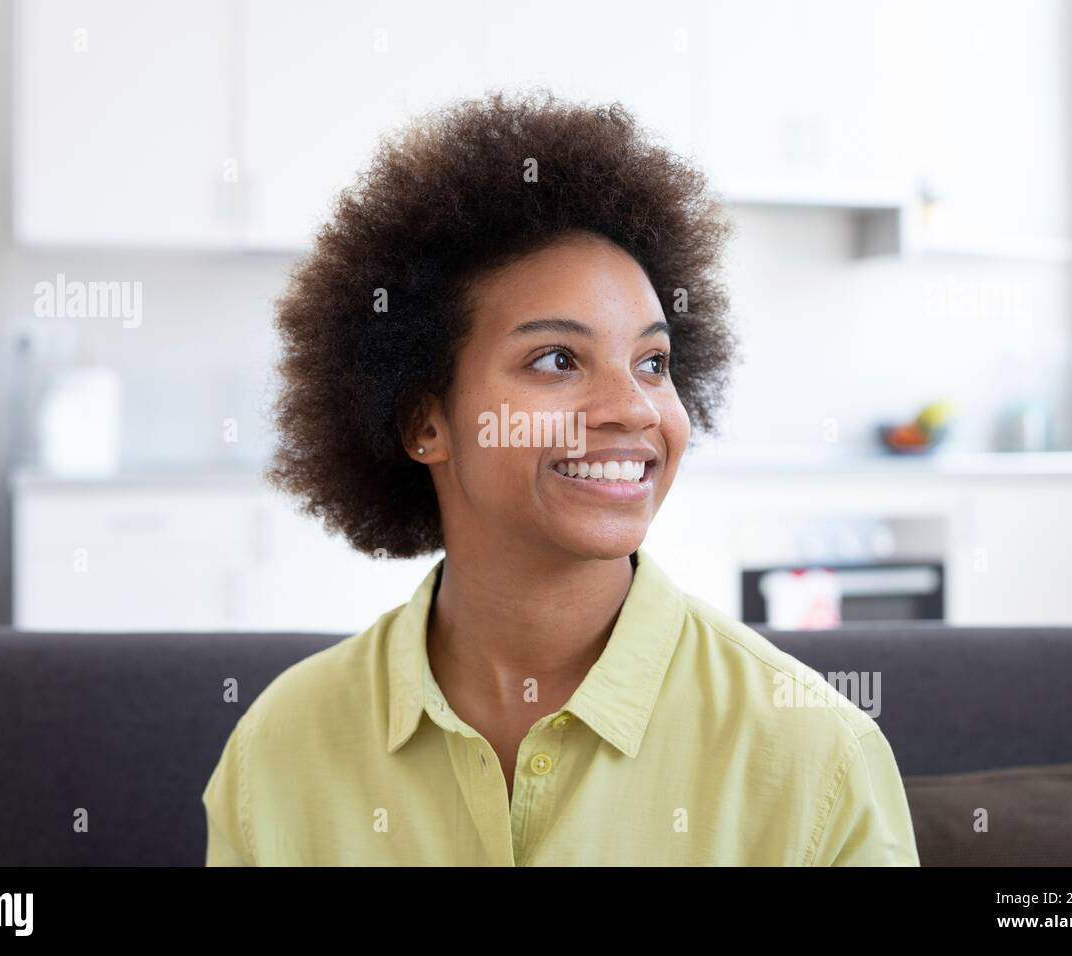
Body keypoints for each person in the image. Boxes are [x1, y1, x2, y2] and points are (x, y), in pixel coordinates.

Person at [202, 89, 920, 866]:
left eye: (653, 362)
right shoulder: (279, 752)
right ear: (424, 423)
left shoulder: (816, 755)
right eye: (557, 360)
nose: (633, 408)